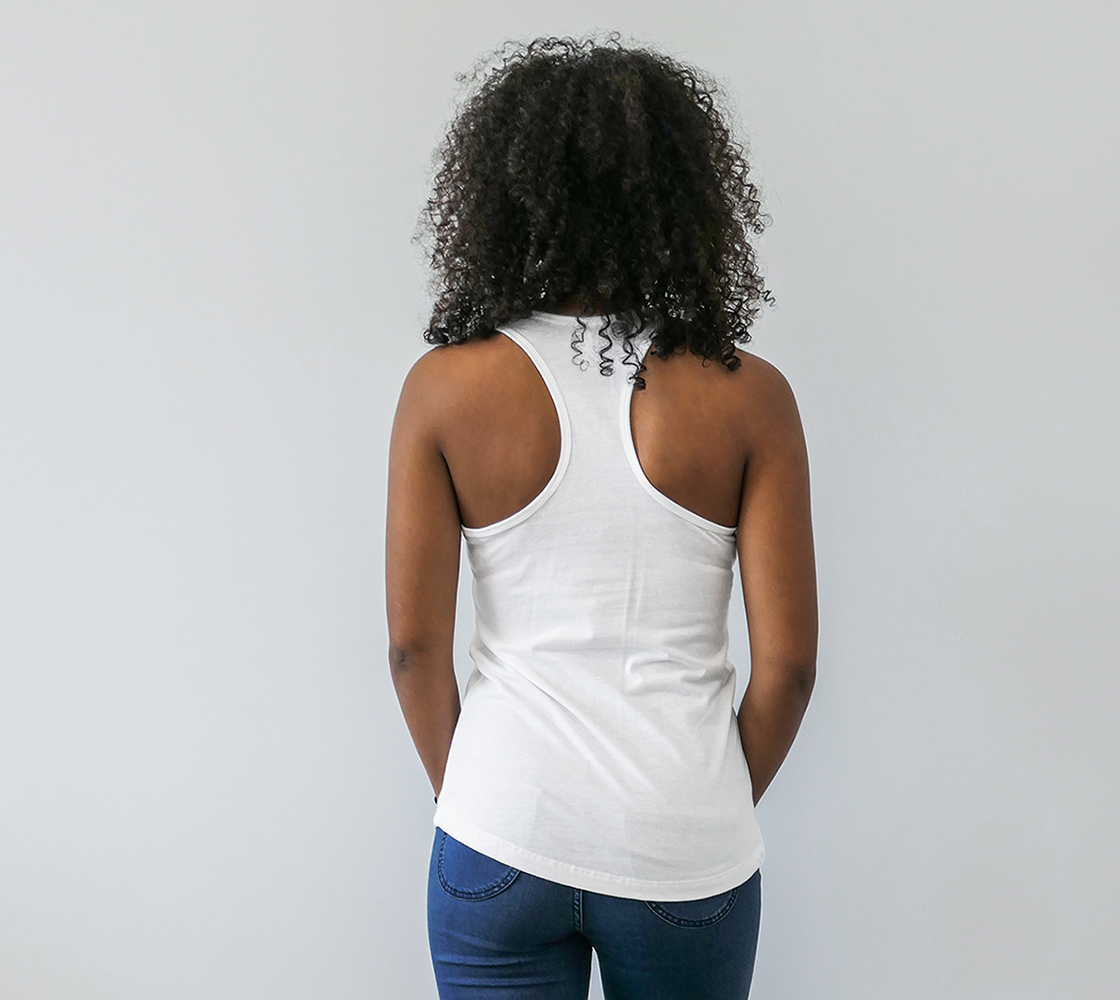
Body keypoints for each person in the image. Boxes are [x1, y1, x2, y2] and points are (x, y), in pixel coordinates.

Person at [386, 36, 817, 1000]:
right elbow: (788, 668)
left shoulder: (444, 392)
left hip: (502, 823)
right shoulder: (750, 399)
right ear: (681, 201)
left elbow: (414, 649)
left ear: (504, 194)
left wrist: (481, 801)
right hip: (682, 832)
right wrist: (695, 806)